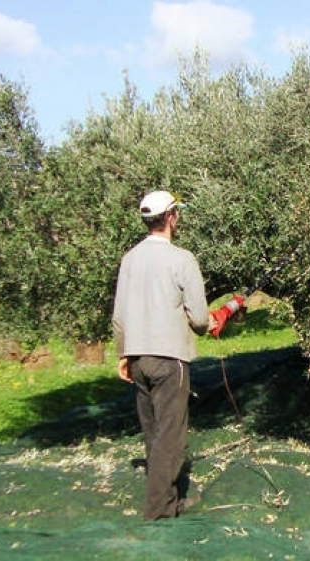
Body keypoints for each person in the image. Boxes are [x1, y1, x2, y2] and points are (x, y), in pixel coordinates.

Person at [112, 190, 216, 519]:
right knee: (170, 438)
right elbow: (199, 317)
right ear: (171, 217)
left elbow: (119, 316)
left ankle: (169, 501)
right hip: (170, 360)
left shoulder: (129, 259)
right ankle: (158, 513)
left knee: (154, 433)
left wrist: (123, 355)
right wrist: (206, 324)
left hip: (138, 358)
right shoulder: (182, 259)